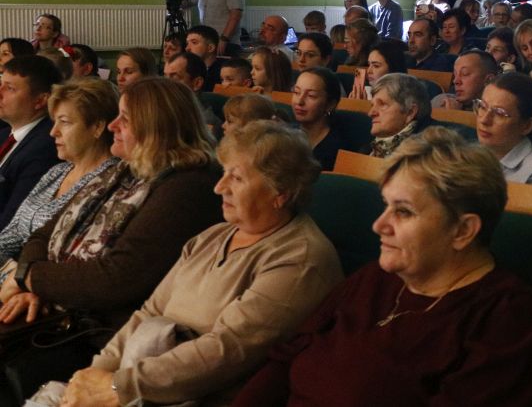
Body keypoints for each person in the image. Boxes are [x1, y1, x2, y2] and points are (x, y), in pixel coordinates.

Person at [235, 127, 532, 407]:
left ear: (463, 230)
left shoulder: (506, 317)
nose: (379, 225)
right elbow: (285, 361)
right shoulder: (377, 276)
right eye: (386, 206)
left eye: (403, 212)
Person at [59, 122, 343, 407]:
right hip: (141, 383)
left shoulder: (300, 260)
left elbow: (227, 350)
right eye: (224, 173)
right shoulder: (213, 236)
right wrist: (97, 373)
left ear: (281, 193)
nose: (219, 187)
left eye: (237, 178)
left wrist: (118, 386)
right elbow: (151, 311)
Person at [0, 78, 223, 399]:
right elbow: (42, 235)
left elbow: (116, 279)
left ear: (156, 127)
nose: (113, 126)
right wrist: (32, 282)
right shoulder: (122, 170)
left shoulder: (188, 186)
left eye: (125, 119)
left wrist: (30, 278)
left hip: (103, 338)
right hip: (63, 313)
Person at [0, 78, 120, 268]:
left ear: (97, 127)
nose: (53, 132)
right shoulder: (57, 172)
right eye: (54, 122)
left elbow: (74, 260)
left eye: (64, 122)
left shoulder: (113, 181)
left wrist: (17, 275)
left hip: (41, 280)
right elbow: (9, 236)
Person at [474, 73, 532, 190]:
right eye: (482, 107)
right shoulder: (471, 157)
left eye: (499, 113)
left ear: (526, 126)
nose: (484, 120)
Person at [0, 56, 62, 231]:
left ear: (40, 101)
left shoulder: (45, 148)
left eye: (10, 88)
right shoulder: (4, 134)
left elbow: (12, 222)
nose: (0, 92)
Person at [365, 73, 432, 158]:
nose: (371, 113)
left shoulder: (425, 155)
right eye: (372, 105)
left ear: (410, 112)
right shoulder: (368, 147)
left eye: (382, 104)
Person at [292, 67, 344, 170]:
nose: (299, 101)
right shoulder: (286, 135)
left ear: (330, 104)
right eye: (297, 92)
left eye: (311, 96)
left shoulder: (335, 150)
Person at [432, 50, 498, 111]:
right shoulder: (443, 102)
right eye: (455, 75)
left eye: (465, 73)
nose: (455, 81)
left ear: (489, 80)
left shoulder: (498, 112)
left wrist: (454, 115)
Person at [185, 25, 223, 90]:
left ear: (210, 48)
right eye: (187, 44)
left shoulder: (222, 74)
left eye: (194, 42)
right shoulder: (188, 70)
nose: (187, 48)